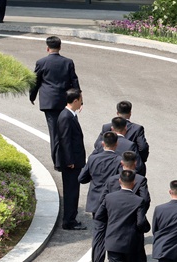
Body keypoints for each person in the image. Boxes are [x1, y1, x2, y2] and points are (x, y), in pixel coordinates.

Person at [94, 170, 151, 262]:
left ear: (119, 181)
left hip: (113, 241)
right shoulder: (138, 201)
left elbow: (99, 216)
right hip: (131, 243)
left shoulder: (109, 198)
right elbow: (140, 222)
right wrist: (146, 228)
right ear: (133, 183)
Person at [29, 36, 80, 169]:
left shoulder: (41, 62)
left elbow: (35, 81)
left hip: (49, 103)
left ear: (47, 48)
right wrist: (79, 100)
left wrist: (32, 96)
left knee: (54, 133)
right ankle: (69, 159)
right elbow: (74, 81)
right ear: (60, 47)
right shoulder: (68, 62)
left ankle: (58, 162)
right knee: (66, 130)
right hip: (65, 101)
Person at [55, 88, 86, 231]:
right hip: (71, 164)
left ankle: (71, 218)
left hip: (74, 161)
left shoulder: (70, 115)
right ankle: (69, 221)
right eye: (80, 100)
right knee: (71, 191)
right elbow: (65, 140)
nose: (81, 103)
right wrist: (70, 161)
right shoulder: (66, 117)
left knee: (73, 190)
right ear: (75, 101)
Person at [78, 131, 121, 216]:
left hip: (95, 199)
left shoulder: (92, 159)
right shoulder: (119, 160)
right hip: (112, 199)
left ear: (102, 143)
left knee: (97, 226)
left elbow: (81, 178)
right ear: (116, 144)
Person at [94, 101, 149, 166]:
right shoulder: (137, 129)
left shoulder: (107, 127)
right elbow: (143, 147)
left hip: (107, 164)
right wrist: (139, 159)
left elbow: (97, 145)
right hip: (127, 164)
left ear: (117, 112)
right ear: (130, 113)